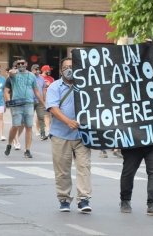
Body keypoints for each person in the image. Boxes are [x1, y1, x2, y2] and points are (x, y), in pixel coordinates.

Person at [45, 57, 92, 213]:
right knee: (62, 170)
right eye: (65, 67)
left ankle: (83, 199)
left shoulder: (86, 86)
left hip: (82, 135)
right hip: (60, 135)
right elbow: (52, 108)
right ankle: (64, 199)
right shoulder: (54, 87)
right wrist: (68, 122)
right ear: (61, 70)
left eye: (71, 67)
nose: (69, 69)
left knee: (83, 167)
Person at [4, 58, 45, 158]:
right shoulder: (13, 75)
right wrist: (12, 71)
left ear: (26, 64)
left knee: (29, 127)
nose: (21, 65)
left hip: (29, 104)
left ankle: (27, 150)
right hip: (17, 104)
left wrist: (43, 103)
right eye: (18, 63)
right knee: (16, 126)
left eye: (22, 63)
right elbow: (10, 75)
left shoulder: (31, 76)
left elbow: (36, 90)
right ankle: (9, 143)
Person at [31, 64, 47, 140]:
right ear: (32, 70)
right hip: (30, 101)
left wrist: (44, 99)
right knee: (29, 117)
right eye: (36, 69)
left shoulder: (41, 79)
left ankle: (43, 134)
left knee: (41, 117)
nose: (37, 70)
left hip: (39, 101)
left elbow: (44, 89)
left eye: (38, 69)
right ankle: (29, 132)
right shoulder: (29, 77)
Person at [41, 65, 54, 136]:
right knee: (39, 116)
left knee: (47, 114)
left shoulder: (51, 79)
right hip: (40, 98)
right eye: (48, 70)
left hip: (49, 98)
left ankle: (48, 129)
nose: (49, 71)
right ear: (44, 70)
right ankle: (38, 129)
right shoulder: (39, 77)